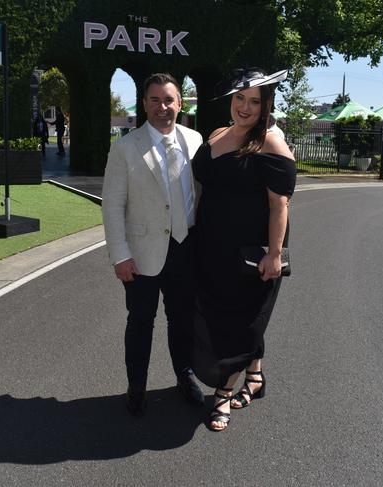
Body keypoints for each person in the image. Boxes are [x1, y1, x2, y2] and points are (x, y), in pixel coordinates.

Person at [191, 68, 296, 431]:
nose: (245, 107)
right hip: (211, 248)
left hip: (251, 253)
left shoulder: (270, 143)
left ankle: (222, 396)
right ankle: (255, 376)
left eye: (255, 101)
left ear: (266, 106)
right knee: (224, 316)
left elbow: (279, 204)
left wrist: (274, 254)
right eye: (240, 98)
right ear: (231, 100)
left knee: (241, 322)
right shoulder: (217, 134)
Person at [102, 73, 205, 417]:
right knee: (141, 321)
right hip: (142, 253)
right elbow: (112, 205)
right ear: (144, 103)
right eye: (155, 100)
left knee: (183, 319)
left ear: (181, 103)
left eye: (169, 100)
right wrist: (120, 255)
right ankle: (137, 384)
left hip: (186, 248)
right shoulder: (125, 148)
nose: (163, 107)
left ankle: (184, 375)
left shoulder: (195, 140)